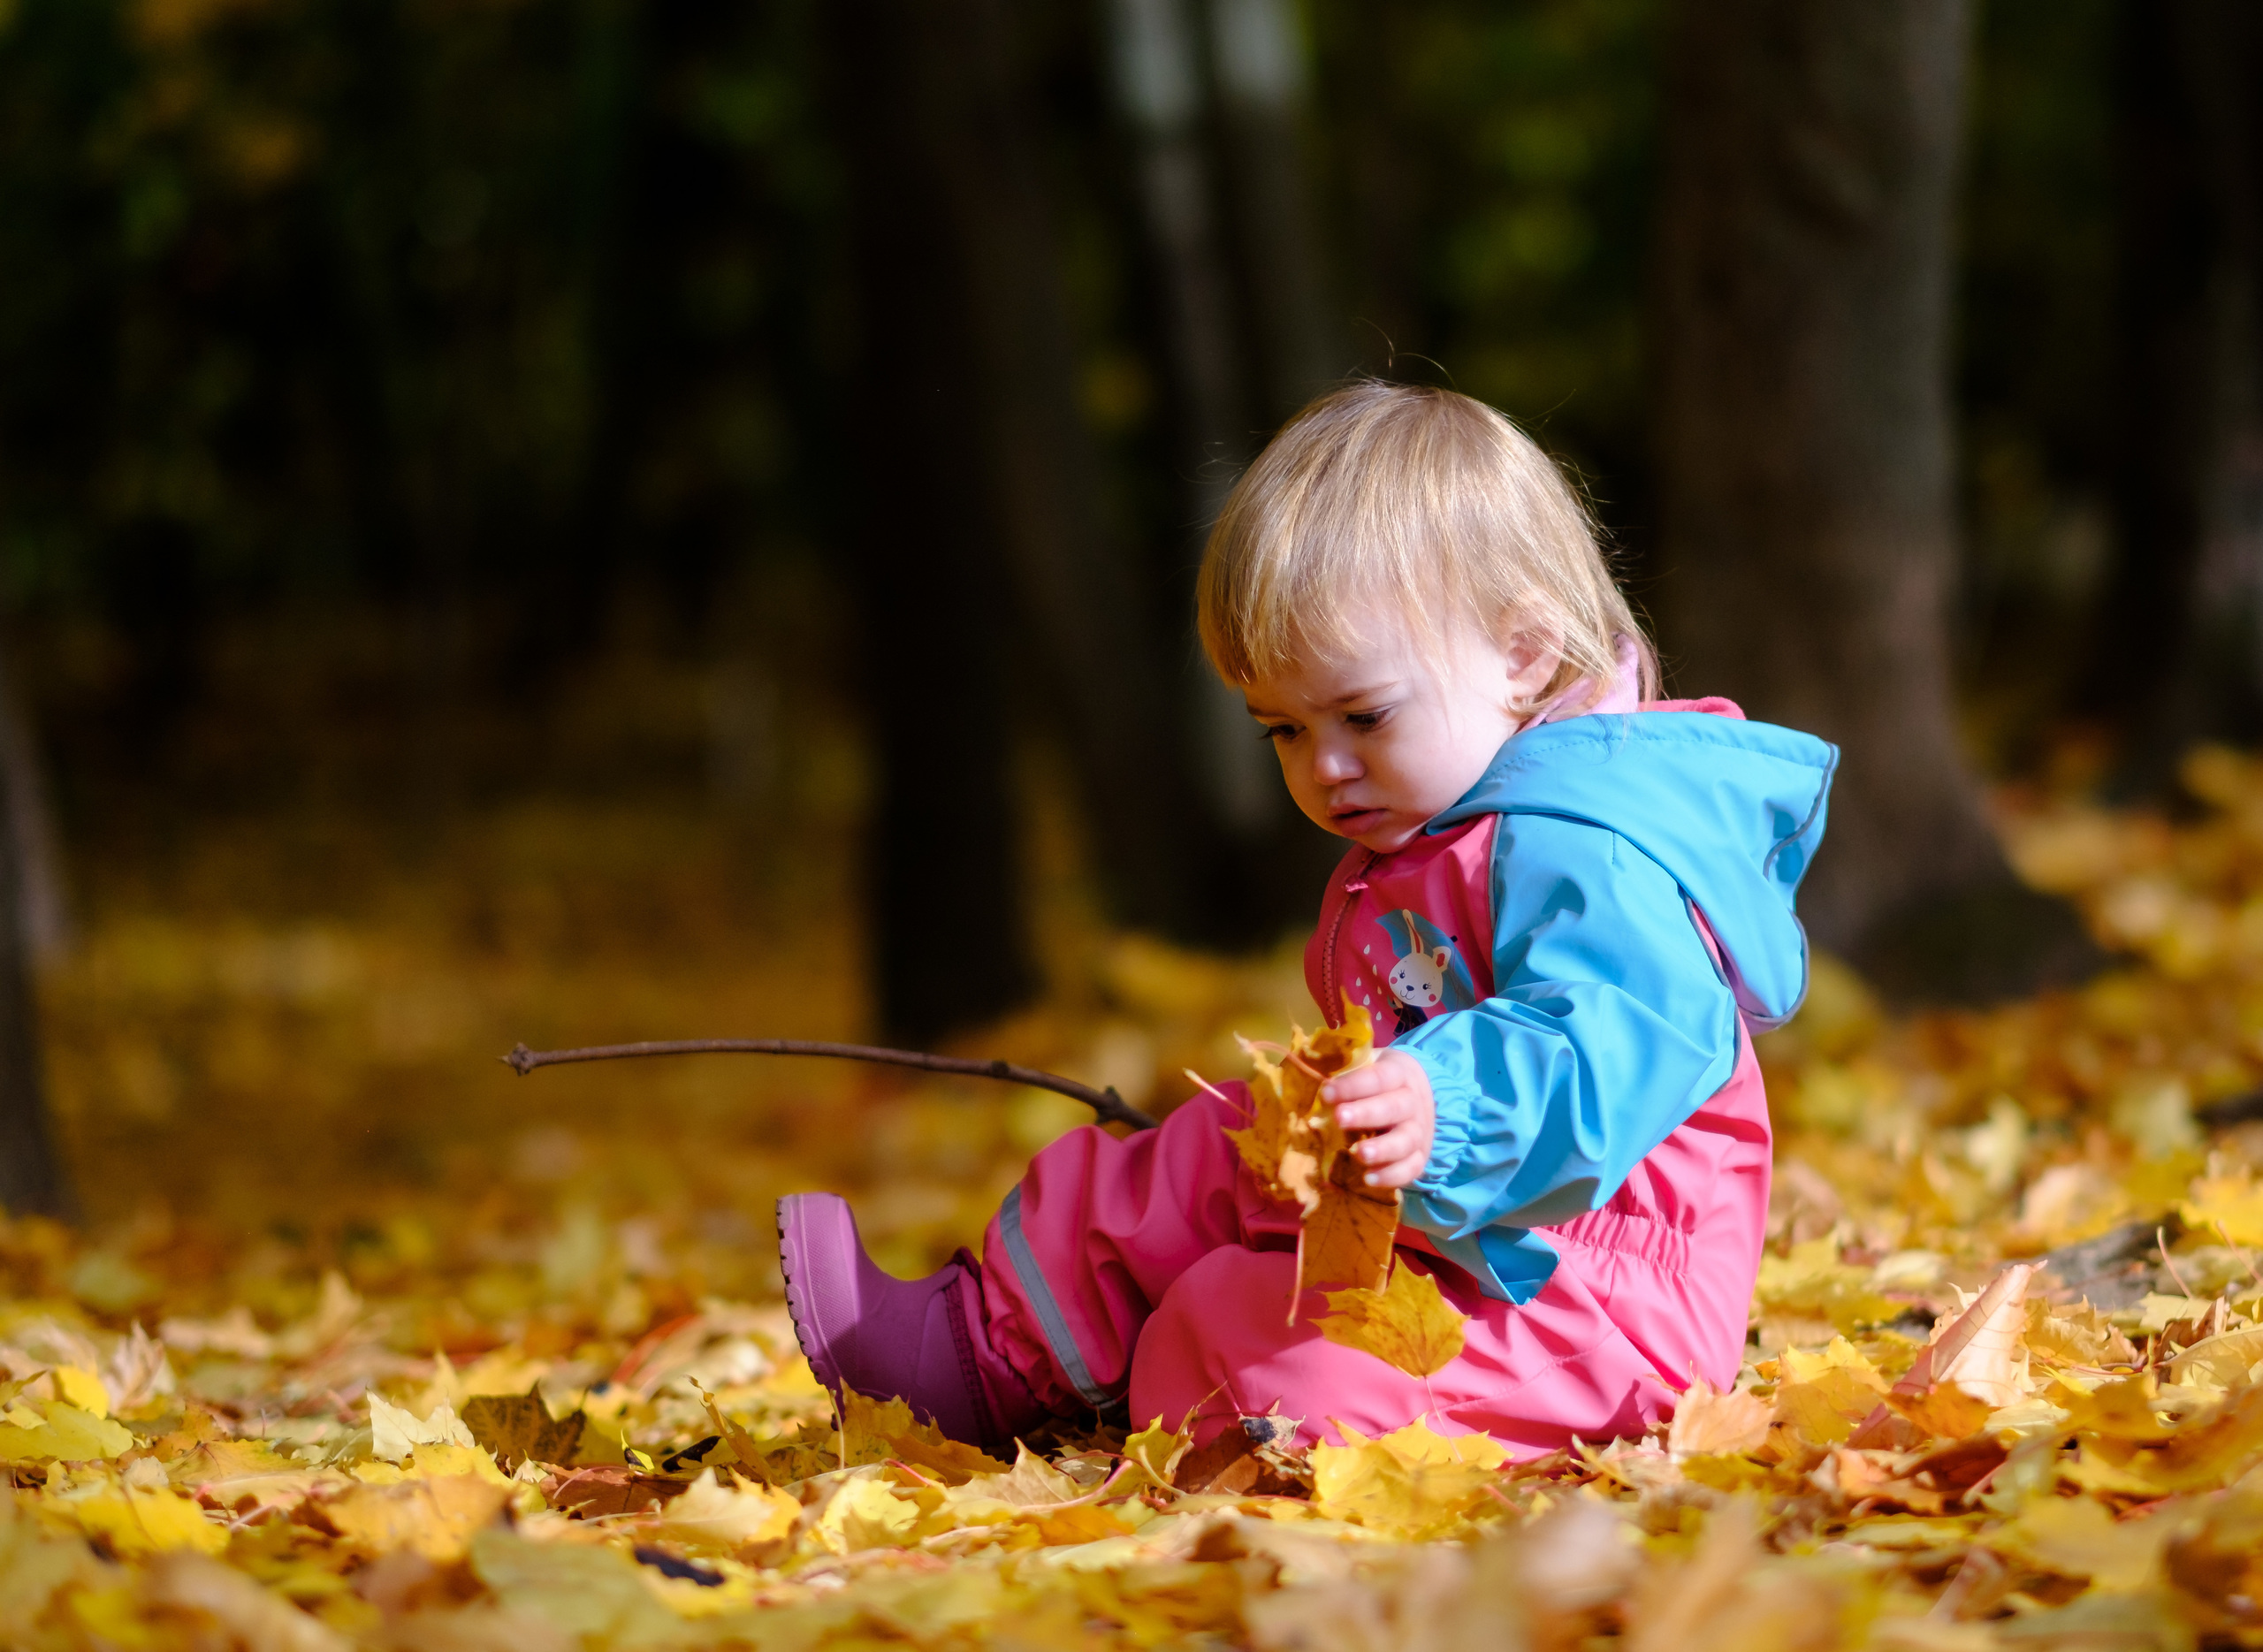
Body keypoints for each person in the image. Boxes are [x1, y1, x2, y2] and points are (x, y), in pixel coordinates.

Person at [778, 382, 1836, 1456]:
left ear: (1521, 653)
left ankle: (1183, 1398)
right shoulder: (1438, 832)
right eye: (1280, 730)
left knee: (1245, 1347)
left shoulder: (1590, 842)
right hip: (1454, 1236)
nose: (1324, 768)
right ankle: (982, 1351)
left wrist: (1445, 1100)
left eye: (1362, 716)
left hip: (1590, 1302)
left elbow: (1616, 1035)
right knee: (1216, 1153)